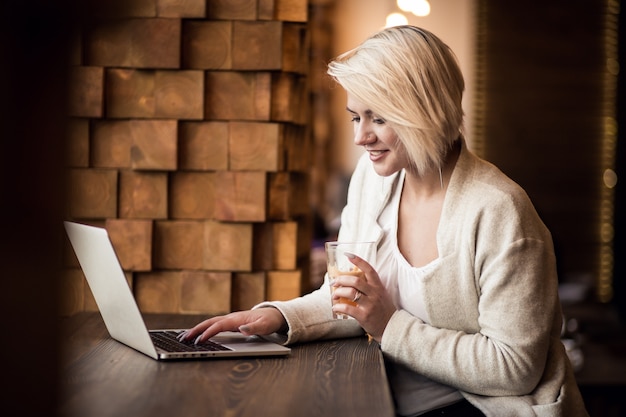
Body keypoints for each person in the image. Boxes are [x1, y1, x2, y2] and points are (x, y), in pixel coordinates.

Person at [180, 25, 589, 416]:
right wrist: (278, 317)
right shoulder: (372, 180)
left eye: (378, 118)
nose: (361, 137)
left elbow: (514, 368)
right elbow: (351, 298)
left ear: (424, 111)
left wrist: (390, 326)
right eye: (355, 117)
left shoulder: (500, 211)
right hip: (385, 396)